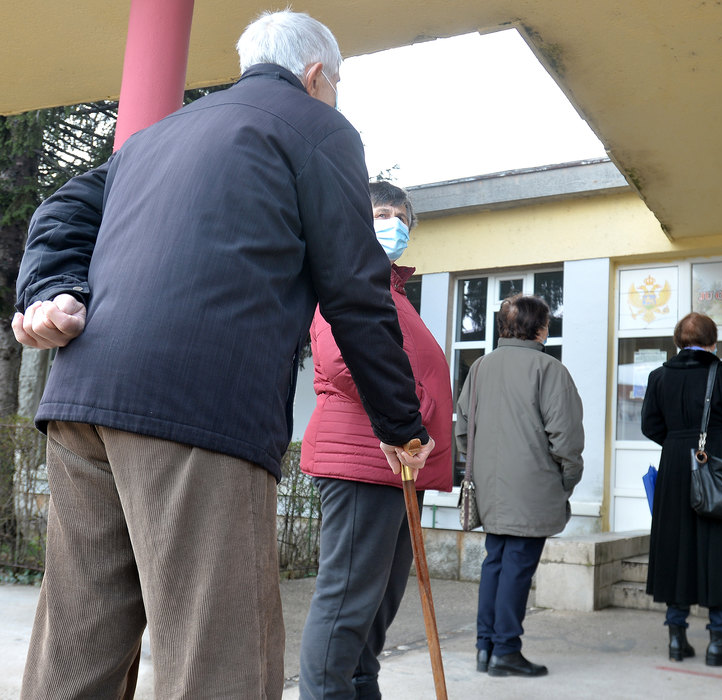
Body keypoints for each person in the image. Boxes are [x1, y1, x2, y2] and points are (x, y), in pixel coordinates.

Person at [11, 11, 434, 698]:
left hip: (83, 401)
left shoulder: (155, 139)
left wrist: (51, 289)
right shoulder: (316, 126)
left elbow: (60, 210)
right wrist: (402, 426)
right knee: (218, 658)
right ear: (316, 75)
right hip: (198, 408)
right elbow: (357, 292)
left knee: (76, 647)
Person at [298, 182, 453, 699]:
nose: (393, 224)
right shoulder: (348, 279)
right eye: (381, 214)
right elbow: (346, 363)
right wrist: (414, 414)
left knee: (376, 605)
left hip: (398, 464)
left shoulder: (389, 289)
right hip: (364, 457)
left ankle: (362, 689)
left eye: (400, 216)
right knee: (347, 603)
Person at [455, 294, 584, 678]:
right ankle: (506, 650)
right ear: (541, 329)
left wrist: (477, 469)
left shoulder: (478, 367)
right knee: (516, 568)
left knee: (495, 562)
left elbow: (463, 429)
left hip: (489, 487)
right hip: (534, 486)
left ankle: (486, 647)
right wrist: (567, 480)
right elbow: (566, 439)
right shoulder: (550, 370)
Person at [642, 312, 722, 667]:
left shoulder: (659, 376)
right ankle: (718, 643)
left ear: (677, 342)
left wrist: (677, 442)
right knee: (721, 551)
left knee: (676, 549)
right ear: (714, 342)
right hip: (718, 468)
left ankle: (677, 639)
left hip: (674, 471)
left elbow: (650, 425)